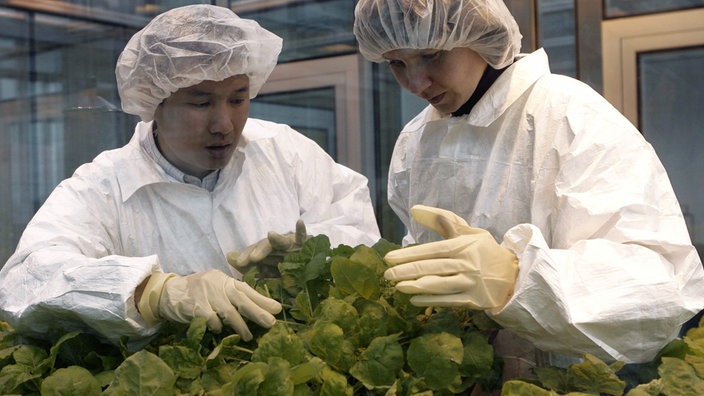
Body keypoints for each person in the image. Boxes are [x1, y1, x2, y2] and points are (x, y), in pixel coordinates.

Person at [353, 0, 704, 376]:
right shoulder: (415, 141)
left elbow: (659, 288)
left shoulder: (567, 112)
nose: (416, 83)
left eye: (431, 55)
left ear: (477, 32)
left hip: (573, 380)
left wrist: (516, 278)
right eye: (397, 63)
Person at [0, 4, 380, 348]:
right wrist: (151, 292)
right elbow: (25, 280)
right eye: (200, 103)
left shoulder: (287, 153)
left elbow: (359, 230)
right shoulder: (103, 187)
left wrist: (314, 254)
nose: (224, 124)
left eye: (238, 98)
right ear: (155, 102)